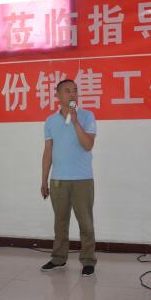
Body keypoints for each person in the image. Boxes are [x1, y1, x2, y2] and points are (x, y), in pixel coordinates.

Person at [40, 79, 97, 277]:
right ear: (57, 95)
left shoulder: (87, 116)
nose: (72, 94)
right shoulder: (50, 121)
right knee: (60, 223)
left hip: (82, 179)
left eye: (75, 90)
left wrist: (75, 121)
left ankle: (88, 260)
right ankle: (58, 258)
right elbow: (48, 151)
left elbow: (88, 145)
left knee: (86, 223)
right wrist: (44, 179)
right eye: (67, 91)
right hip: (58, 180)